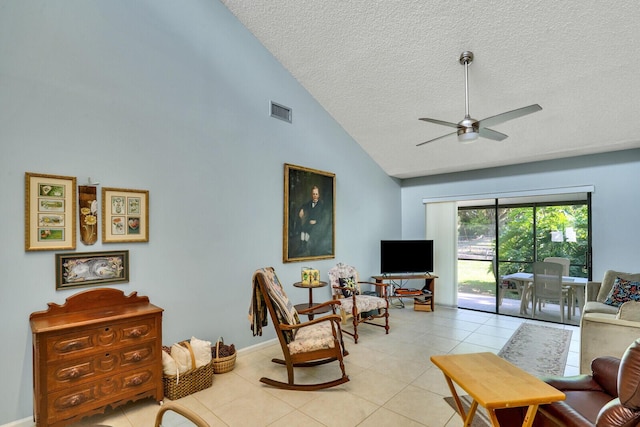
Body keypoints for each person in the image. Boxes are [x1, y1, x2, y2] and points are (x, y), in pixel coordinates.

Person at [296, 186, 330, 256]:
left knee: (308, 230)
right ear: (312, 195)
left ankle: (306, 247)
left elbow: (322, 217)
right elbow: (304, 205)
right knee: (303, 229)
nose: (315, 196)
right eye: (313, 194)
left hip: (316, 223)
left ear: (319, 195)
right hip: (309, 222)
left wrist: (316, 221)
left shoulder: (321, 205)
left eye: (316, 194)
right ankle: (302, 245)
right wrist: (302, 209)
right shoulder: (310, 203)